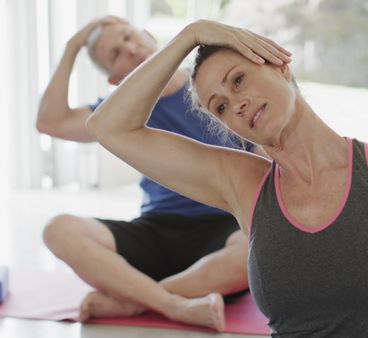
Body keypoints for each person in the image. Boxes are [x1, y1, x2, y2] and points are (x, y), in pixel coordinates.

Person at [85, 19, 368, 337]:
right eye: (219, 106)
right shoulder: (243, 184)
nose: (235, 104)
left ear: (279, 65)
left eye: (239, 80)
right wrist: (189, 36)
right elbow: (110, 128)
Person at [37, 16, 290, 329]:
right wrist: (72, 46)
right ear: (115, 80)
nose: (129, 49)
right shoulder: (117, 112)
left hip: (224, 227)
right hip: (157, 229)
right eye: (115, 54)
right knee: (58, 230)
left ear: (148, 36)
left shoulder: (212, 92)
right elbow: (50, 122)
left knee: (260, 246)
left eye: (129, 37)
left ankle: (130, 301)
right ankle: (173, 304)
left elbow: (267, 160)